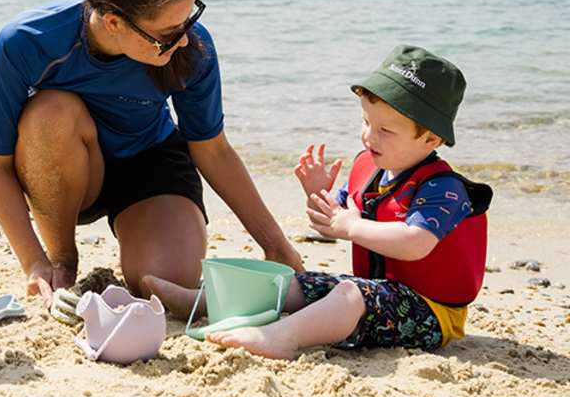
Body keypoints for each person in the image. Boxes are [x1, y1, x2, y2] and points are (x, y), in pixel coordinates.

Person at [0, 0, 301, 303]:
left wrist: (276, 246)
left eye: (188, 20)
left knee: (165, 283)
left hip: (149, 159)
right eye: (168, 32)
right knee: (51, 109)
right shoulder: (27, 41)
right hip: (68, 169)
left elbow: (212, 149)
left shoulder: (192, 47)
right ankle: (63, 261)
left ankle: (140, 243)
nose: (183, 39)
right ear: (114, 22)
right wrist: (34, 262)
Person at [145, 45, 493, 359]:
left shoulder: (443, 189)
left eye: (385, 131)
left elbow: (416, 243)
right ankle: (201, 301)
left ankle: (282, 337)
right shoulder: (370, 169)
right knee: (296, 281)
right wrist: (319, 196)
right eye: (366, 121)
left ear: (431, 137)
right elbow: (330, 220)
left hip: (430, 313)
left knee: (348, 295)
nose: (369, 136)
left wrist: (353, 226)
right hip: (381, 293)